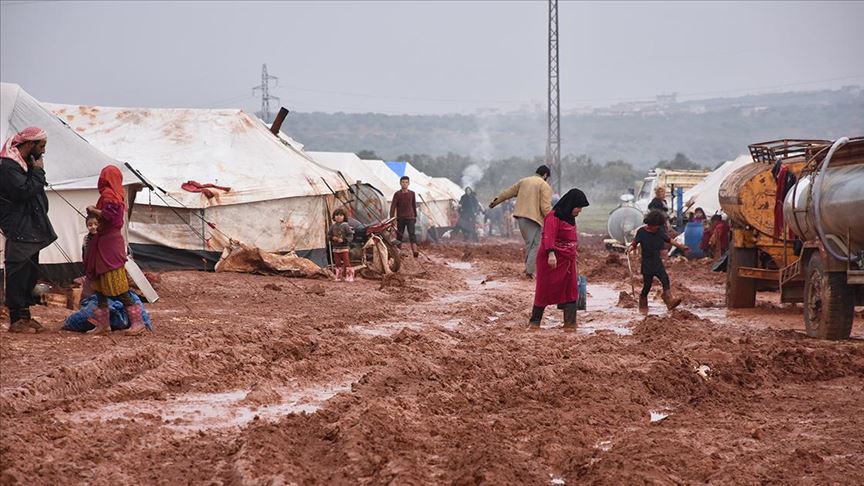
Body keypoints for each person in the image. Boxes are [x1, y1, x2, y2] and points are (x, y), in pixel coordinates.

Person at [0, 127, 54, 333]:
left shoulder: (25, 164)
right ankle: (16, 319)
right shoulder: (8, 166)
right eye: (42, 146)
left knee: (29, 272)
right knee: (18, 271)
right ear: (30, 144)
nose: (44, 151)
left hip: (30, 226)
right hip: (18, 226)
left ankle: (25, 315)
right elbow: (23, 192)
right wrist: (39, 172)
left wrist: (35, 171)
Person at [83, 165, 148, 336]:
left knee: (118, 286)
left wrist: (93, 210)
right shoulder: (118, 195)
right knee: (100, 287)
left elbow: (111, 217)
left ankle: (137, 322)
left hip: (108, 246)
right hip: (106, 243)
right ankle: (104, 325)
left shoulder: (109, 195)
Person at [529, 188, 590, 330]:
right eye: (578, 207)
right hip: (552, 259)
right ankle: (534, 323)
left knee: (571, 290)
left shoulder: (570, 218)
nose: (580, 210)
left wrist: (574, 251)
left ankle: (570, 324)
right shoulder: (553, 216)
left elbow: (571, 237)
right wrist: (551, 253)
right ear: (570, 204)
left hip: (567, 260)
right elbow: (548, 235)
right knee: (544, 290)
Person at [489, 165, 553, 278]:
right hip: (534, 219)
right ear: (546, 175)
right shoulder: (544, 185)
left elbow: (508, 192)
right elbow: (545, 207)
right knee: (535, 245)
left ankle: (528, 268)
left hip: (521, 217)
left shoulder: (524, 181)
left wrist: (495, 201)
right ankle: (529, 271)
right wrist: (553, 220)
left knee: (530, 244)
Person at [627, 209, 690, 313]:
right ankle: (642, 303)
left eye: (658, 225)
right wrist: (630, 249)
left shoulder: (659, 232)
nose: (656, 227)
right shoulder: (642, 232)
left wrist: (681, 246)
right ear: (650, 223)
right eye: (655, 225)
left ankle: (669, 300)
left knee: (665, 279)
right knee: (647, 285)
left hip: (657, 261)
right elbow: (634, 243)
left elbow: (669, 240)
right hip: (647, 263)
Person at [390, 176, 419, 258]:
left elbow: (413, 205)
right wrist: (392, 218)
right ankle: (398, 251)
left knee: (412, 234)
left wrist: (415, 216)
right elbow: (393, 207)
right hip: (401, 218)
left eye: (406, 182)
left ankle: (415, 251)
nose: (404, 184)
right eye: (403, 182)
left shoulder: (412, 193)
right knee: (399, 235)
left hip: (410, 217)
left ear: (409, 183)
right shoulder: (397, 194)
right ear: (400, 183)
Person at [329, 208, 355, 282]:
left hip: (344, 247)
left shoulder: (346, 226)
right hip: (335, 248)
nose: (338, 217)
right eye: (337, 215)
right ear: (334, 217)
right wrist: (332, 238)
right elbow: (328, 235)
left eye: (341, 215)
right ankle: (339, 276)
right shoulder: (333, 226)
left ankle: (349, 276)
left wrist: (344, 240)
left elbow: (350, 235)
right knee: (337, 263)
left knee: (346, 262)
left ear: (344, 217)